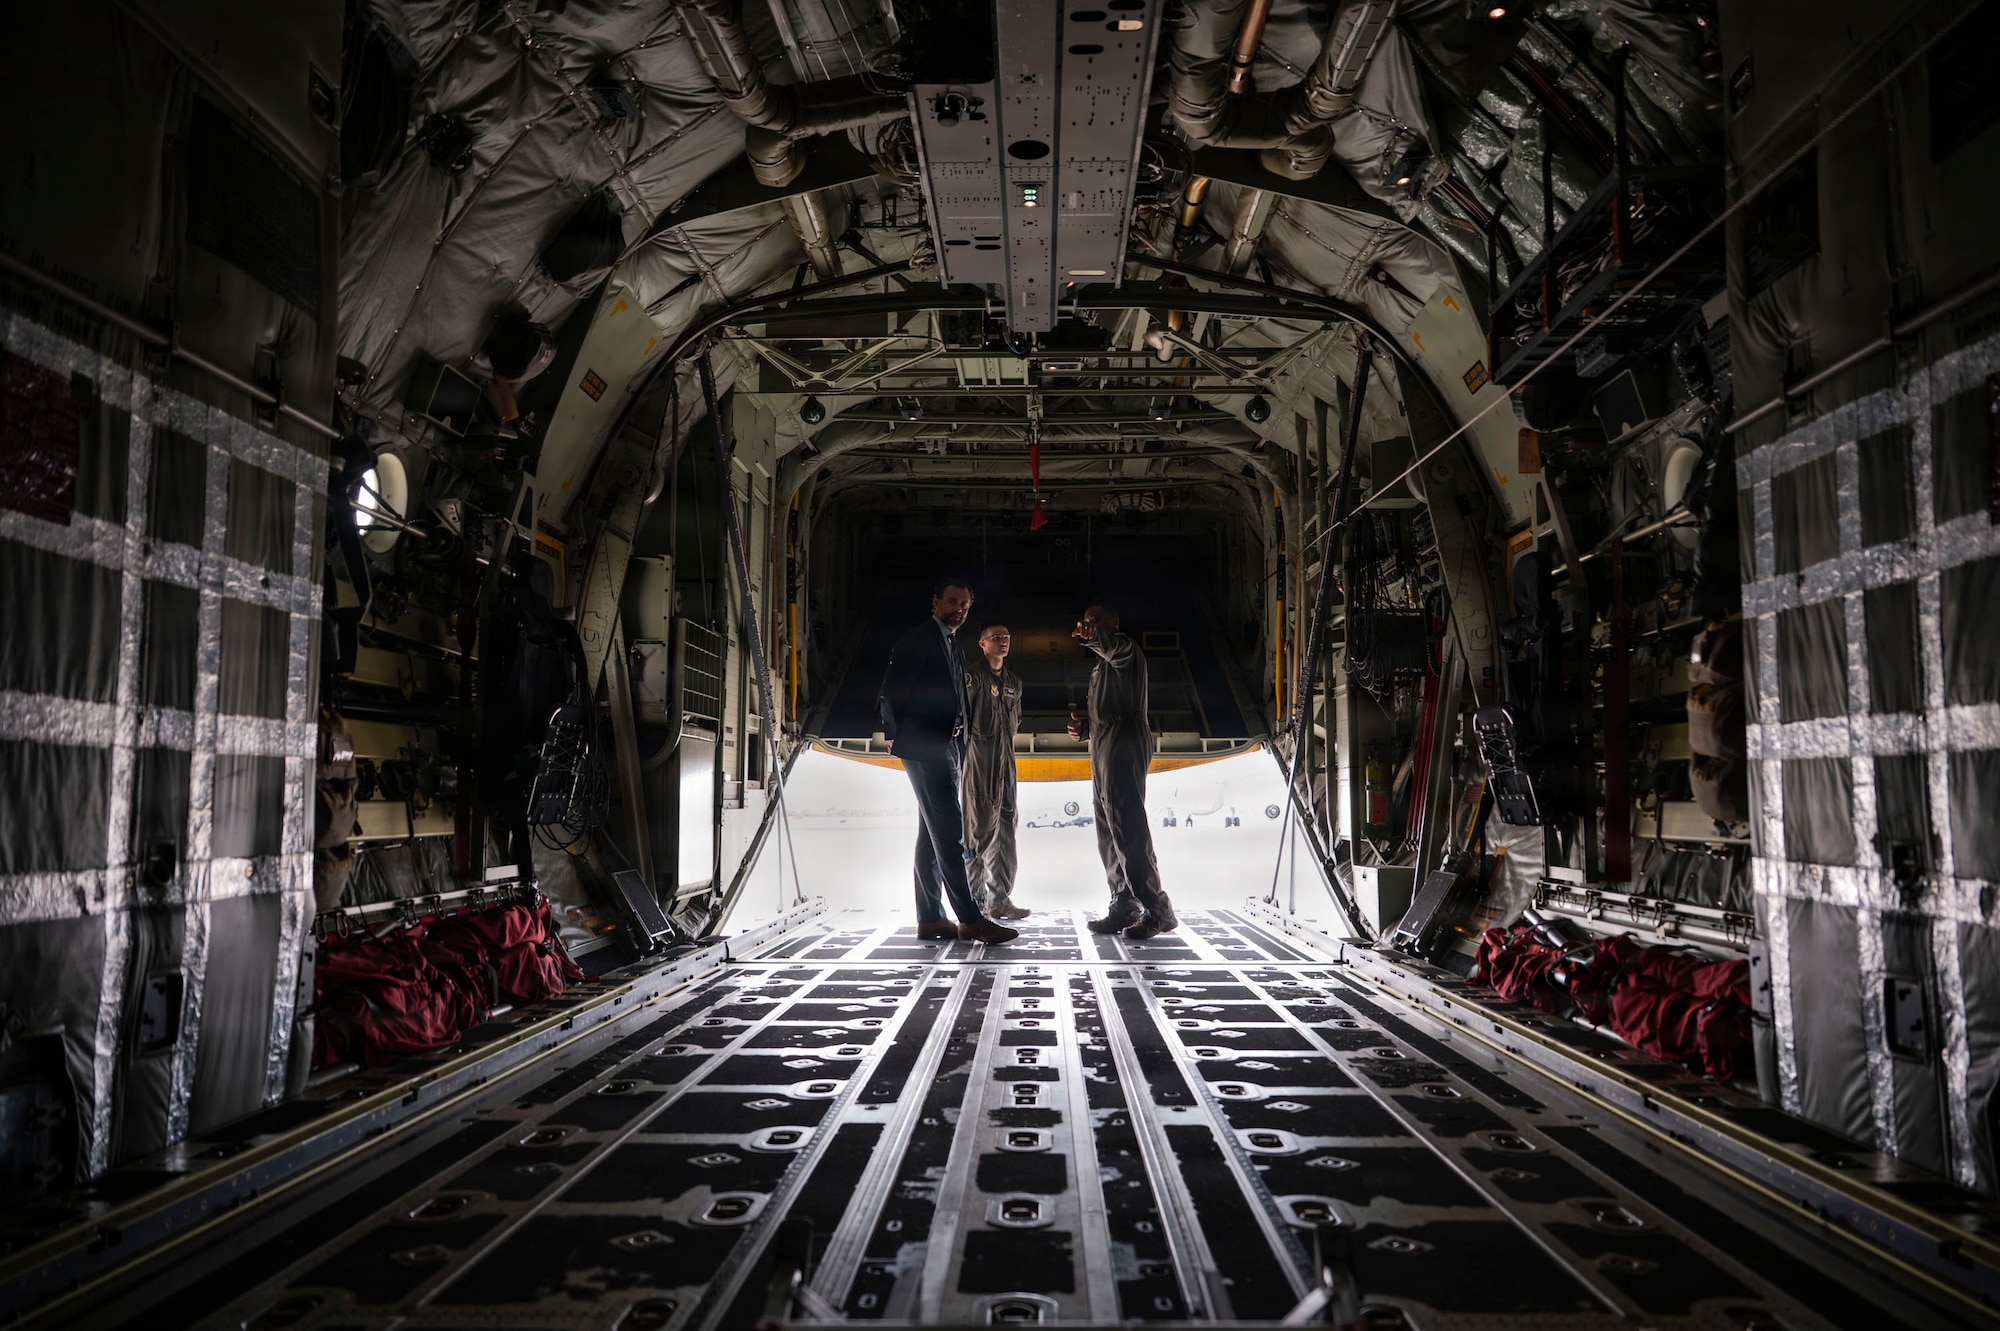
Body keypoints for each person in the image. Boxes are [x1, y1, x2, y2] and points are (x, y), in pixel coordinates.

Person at [878, 579, 1020, 945]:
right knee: (949, 832)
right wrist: (894, 733)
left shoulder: (952, 644)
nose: (959, 609)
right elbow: (892, 689)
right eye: (953, 602)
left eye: (965, 605)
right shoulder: (918, 638)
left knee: (930, 834)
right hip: (925, 747)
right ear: (936, 602)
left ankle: (930, 918)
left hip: (949, 746)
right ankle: (972, 920)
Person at [1068, 604, 1176, 939]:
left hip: (1123, 743)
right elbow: (1108, 708)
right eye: (1086, 622)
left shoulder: (1124, 649)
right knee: (1109, 831)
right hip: (1103, 745)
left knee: (1127, 829)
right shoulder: (1102, 666)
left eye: (1096, 621)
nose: (1090, 626)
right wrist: (1085, 728)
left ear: (1114, 623)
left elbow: (1111, 647)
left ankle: (1158, 910)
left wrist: (1093, 636)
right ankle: (1124, 904)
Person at [963, 622, 1029, 921]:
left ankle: (999, 899)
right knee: (977, 832)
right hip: (979, 761)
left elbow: (1014, 723)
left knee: (1005, 829)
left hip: (1006, 762)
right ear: (982, 644)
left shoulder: (1014, 681)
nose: (1003, 642)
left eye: (1007, 637)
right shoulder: (972, 677)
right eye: (996, 638)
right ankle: (972, 902)